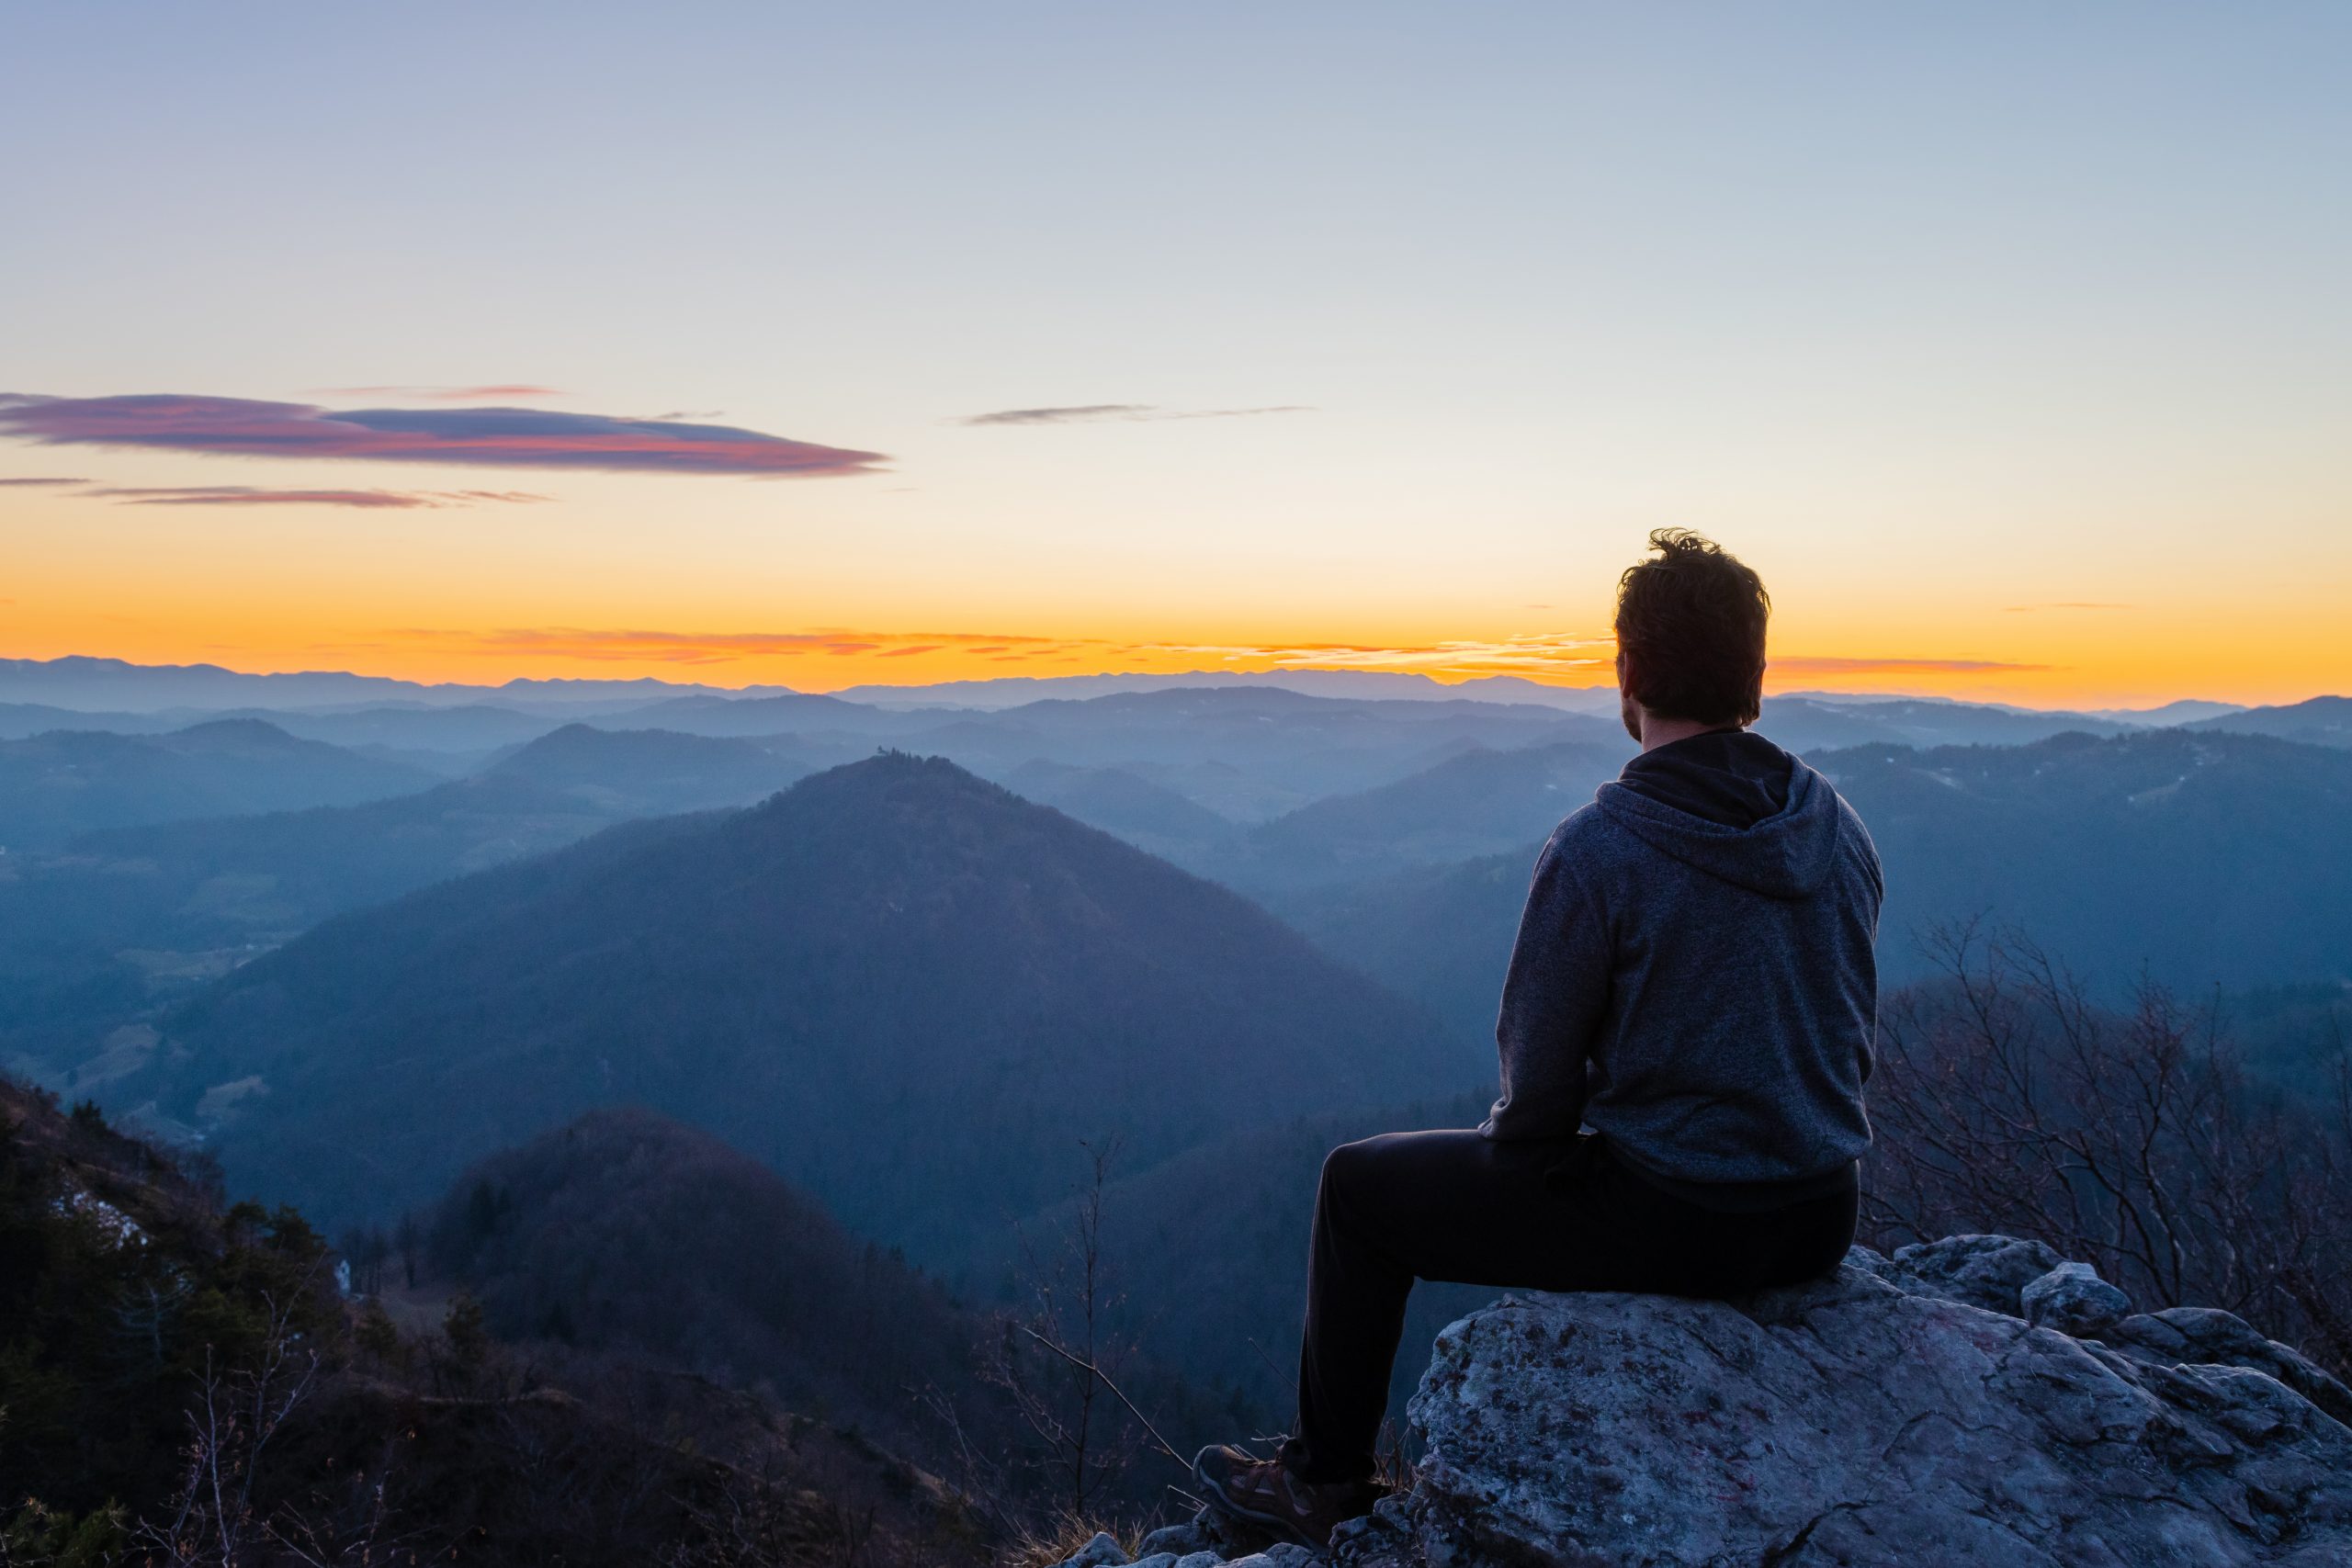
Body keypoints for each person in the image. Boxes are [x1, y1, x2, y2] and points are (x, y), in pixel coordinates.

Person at [1192, 529, 1883, 1548]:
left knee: (1357, 1190)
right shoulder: (1833, 824)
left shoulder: (1602, 849)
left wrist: (1522, 1157)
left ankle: (1323, 1480)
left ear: (1629, 673)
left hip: (1679, 1215)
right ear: (1755, 677)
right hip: (1821, 1209)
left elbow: (1538, 1083)